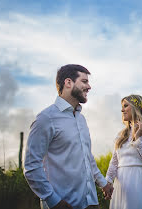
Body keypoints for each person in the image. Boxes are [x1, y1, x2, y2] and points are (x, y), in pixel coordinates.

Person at [24, 64, 113, 209]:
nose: (89, 87)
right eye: (84, 81)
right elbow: (32, 166)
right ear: (68, 82)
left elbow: (87, 158)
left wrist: (103, 184)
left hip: (91, 202)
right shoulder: (46, 118)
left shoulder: (81, 119)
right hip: (63, 204)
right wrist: (53, 200)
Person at [104, 94, 142, 209]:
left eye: (125, 106)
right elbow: (114, 162)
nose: (122, 109)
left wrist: (138, 139)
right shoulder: (121, 135)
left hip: (139, 182)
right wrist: (107, 182)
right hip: (120, 184)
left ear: (136, 108)